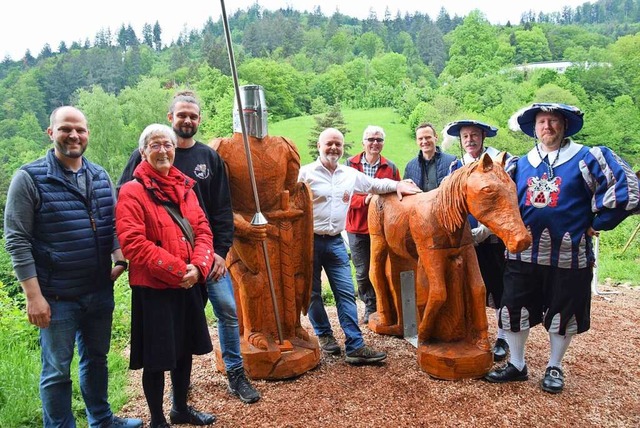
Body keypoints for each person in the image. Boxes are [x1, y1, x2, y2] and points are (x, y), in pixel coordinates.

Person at [484, 103, 640, 393]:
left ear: (564, 126)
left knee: (563, 311)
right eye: (542, 121)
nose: (548, 127)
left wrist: (600, 222)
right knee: (514, 308)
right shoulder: (519, 164)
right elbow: (496, 201)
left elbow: (626, 191)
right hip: (524, 252)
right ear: (534, 128)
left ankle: (554, 366)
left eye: (554, 121)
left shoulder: (587, 157)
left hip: (569, 254)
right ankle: (517, 365)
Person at [3, 106, 143, 428]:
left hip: (98, 291)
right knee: (56, 371)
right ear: (51, 133)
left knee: (97, 361)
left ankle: (102, 420)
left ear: (87, 134)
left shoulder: (99, 175)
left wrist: (120, 258)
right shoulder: (28, 178)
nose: (74, 135)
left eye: (80, 129)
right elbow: (17, 241)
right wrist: (33, 296)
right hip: (56, 297)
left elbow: (110, 225)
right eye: (66, 128)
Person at [118, 91, 260, 403]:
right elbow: (125, 206)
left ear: (199, 121)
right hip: (162, 267)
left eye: (193, 116)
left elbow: (220, 210)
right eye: (182, 114)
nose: (187, 120)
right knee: (172, 329)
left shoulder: (209, 158)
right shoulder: (144, 155)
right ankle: (175, 398)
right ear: (170, 117)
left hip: (207, 256)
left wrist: (219, 254)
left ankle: (235, 374)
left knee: (226, 310)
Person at [210, 85, 317, 379]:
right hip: (242, 232)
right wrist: (240, 225)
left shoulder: (284, 147)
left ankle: (292, 327)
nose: (252, 116)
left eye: (256, 111)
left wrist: (286, 215)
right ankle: (255, 331)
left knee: (291, 279)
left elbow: (292, 191)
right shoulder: (222, 149)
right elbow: (214, 202)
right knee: (254, 282)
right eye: (246, 112)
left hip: (281, 228)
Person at [116, 124, 215, 427]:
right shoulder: (132, 191)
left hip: (188, 283)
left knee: (184, 351)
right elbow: (133, 243)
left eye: (168, 145)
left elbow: (202, 230)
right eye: (155, 145)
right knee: (157, 359)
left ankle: (180, 409)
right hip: (155, 288)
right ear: (143, 152)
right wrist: (178, 271)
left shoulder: (186, 187)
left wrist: (198, 268)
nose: (163, 151)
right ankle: (158, 419)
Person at [298, 128, 421, 364]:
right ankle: (325, 335)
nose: (334, 148)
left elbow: (375, 184)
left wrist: (397, 186)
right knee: (312, 294)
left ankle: (355, 346)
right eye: (329, 144)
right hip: (309, 241)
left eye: (338, 144)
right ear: (319, 146)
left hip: (335, 241)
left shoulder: (349, 174)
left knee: (345, 291)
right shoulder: (305, 174)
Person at [445, 119, 510, 362]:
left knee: (499, 288)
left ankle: (503, 336)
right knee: (469, 288)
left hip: (491, 240)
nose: (469, 139)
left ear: (483, 137)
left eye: (474, 135)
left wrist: (484, 231)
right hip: (464, 241)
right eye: (465, 136)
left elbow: (502, 201)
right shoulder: (455, 167)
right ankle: (473, 332)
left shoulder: (498, 163)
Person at [345, 125, 400, 324]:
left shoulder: (391, 167)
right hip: (357, 227)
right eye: (371, 139)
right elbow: (343, 196)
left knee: (383, 267)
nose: (375, 143)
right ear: (363, 142)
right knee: (362, 271)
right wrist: (365, 200)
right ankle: (370, 306)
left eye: (379, 140)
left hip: (384, 229)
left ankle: (387, 305)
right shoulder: (349, 165)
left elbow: (396, 196)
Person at [404, 122, 456, 192]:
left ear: (436, 137)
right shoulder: (410, 166)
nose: (424, 141)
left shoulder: (452, 162)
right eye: (420, 139)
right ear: (416, 141)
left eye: (428, 137)